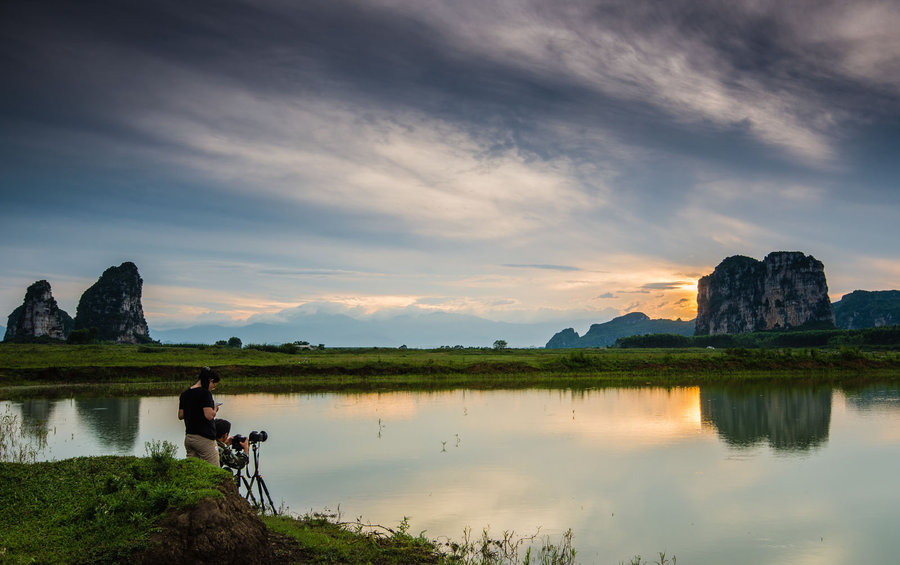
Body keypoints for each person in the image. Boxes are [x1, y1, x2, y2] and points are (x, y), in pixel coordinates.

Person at [177, 367, 220, 465]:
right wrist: (215, 409)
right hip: (204, 439)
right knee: (214, 471)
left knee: (193, 470)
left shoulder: (185, 394)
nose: (212, 388)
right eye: (213, 386)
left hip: (189, 438)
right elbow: (209, 416)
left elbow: (181, 415)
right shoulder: (205, 393)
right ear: (211, 381)